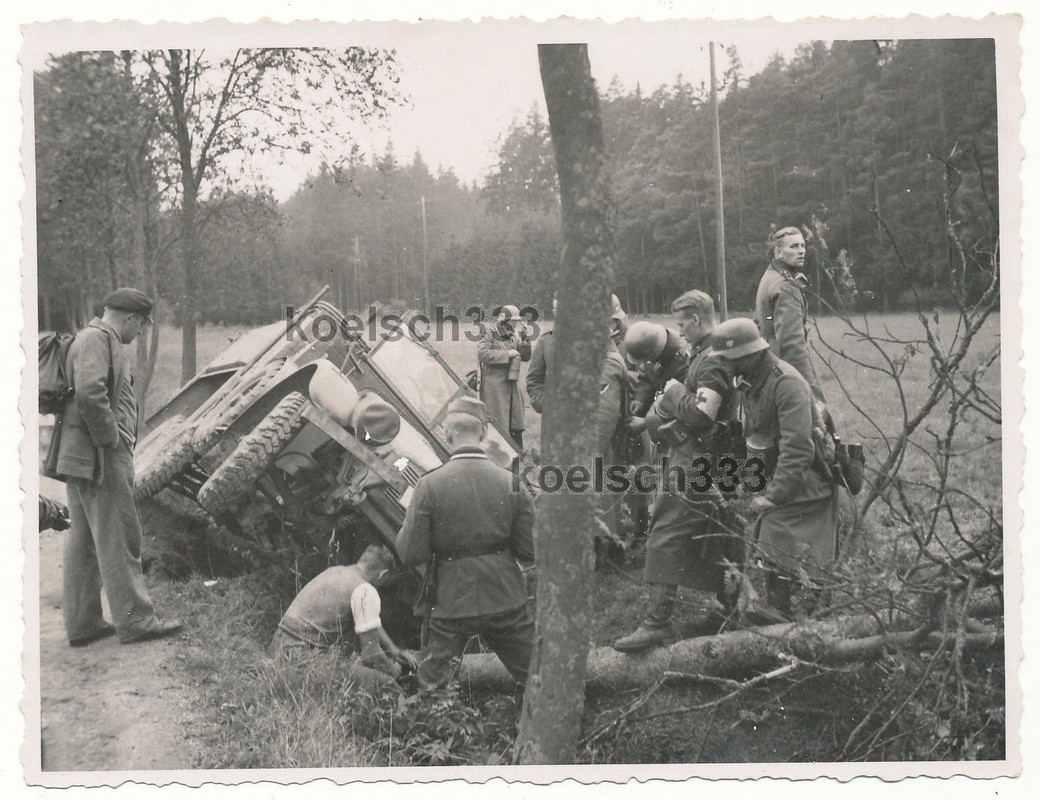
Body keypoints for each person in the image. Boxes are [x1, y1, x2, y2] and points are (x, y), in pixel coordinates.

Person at [44, 288, 183, 646]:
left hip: (83, 456)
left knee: (86, 539)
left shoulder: (93, 338)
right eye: (139, 326)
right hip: (99, 455)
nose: (138, 334)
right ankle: (136, 621)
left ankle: (84, 624)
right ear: (130, 318)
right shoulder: (96, 339)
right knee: (120, 533)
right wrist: (110, 440)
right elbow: (91, 392)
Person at [613, 290, 742, 653]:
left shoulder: (711, 360)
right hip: (718, 456)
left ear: (698, 319)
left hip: (698, 458)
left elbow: (702, 415)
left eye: (683, 322)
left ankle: (658, 623)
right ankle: (728, 607)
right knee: (721, 529)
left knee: (666, 528)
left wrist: (671, 394)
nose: (680, 330)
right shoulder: (709, 354)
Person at [395, 396, 535, 691]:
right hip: (504, 595)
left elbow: (409, 553)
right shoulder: (512, 482)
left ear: (447, 433)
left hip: (450, 602)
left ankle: (438, 730)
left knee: (432, 685)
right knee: (538, 677)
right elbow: (530, 550)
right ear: (483, 433)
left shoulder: (429, 485)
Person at [708, 317, 839, 620]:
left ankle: (799, 617)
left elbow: (799, 449)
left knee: (789, 552)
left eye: (728, 361)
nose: (725, 368)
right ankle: (783, 613)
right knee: (772, 552)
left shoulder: (786, 382)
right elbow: (757, 438)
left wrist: (773, 496)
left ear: (746, 355)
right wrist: (747, 483)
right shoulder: (752, 382)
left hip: (805, 485)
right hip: (781, 480)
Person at [269, 545, 418, 691]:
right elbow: (371, 654)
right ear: (383, 575)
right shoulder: (365, 590)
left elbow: (370, 622)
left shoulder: (337, 571)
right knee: (387, 685)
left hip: (277, 649)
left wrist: (393, 649)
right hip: (301, 663)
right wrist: (396, 675)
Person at [754, 226, 827, 409]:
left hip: (767, 362)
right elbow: (792, 343)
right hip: (783, 364)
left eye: (802, 245)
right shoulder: (786, 285)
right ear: (778, 252)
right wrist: (809, 390)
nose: (801, 250)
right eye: (794, 246)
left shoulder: (770, 275)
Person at [478, 304, 532, 447]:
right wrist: (507, 354)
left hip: (512, 389)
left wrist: (525, 337)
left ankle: (515, 465)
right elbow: (482, 354)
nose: (514, 325)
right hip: (495, 391)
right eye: (512, 322)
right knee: (497, 430)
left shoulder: (513, 335)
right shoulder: (489, 334)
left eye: (515, 322)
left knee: (515, 428)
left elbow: (526, 356)